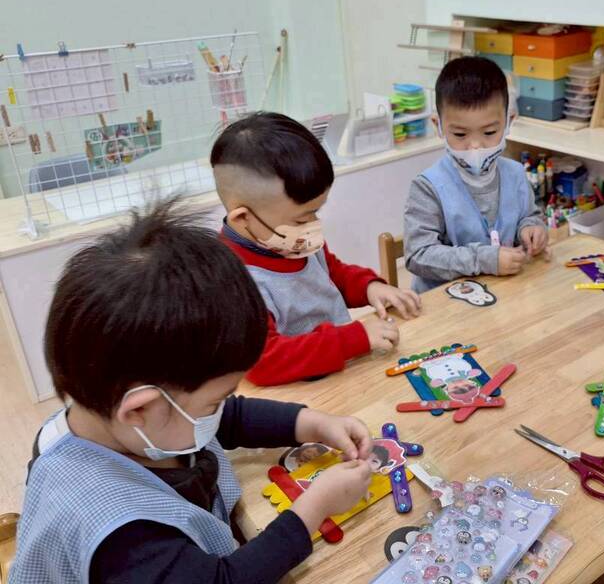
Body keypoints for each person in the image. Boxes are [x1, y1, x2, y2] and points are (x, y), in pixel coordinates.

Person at [11, 201, 375, 583]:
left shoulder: (124, 417)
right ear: (138, 410)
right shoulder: (124, 542)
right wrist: (313, 509)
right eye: (214, 401)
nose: (221, 409)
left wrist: (310, 423)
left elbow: (229, 419)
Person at [212, 112, 421, 386]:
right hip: (297, 393)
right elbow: (264, 362)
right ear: (243, 218)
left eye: (316, 212)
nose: (312, 225)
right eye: (301, 219)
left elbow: (332, 273)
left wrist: (369, 287)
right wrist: (354, 338)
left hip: (340, 375)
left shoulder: (291, 241)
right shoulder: (233, 282)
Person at [404, 57, 547, 292]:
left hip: (506, 294)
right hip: (447, 303)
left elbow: (529, 216)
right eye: (460, 134)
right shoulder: (428, 187)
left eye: (489, 132)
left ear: (508, 122)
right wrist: (484, 259)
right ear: (438, 125)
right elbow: (418, 255)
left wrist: (531, 229)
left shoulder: (515, 174)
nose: (475, 145)